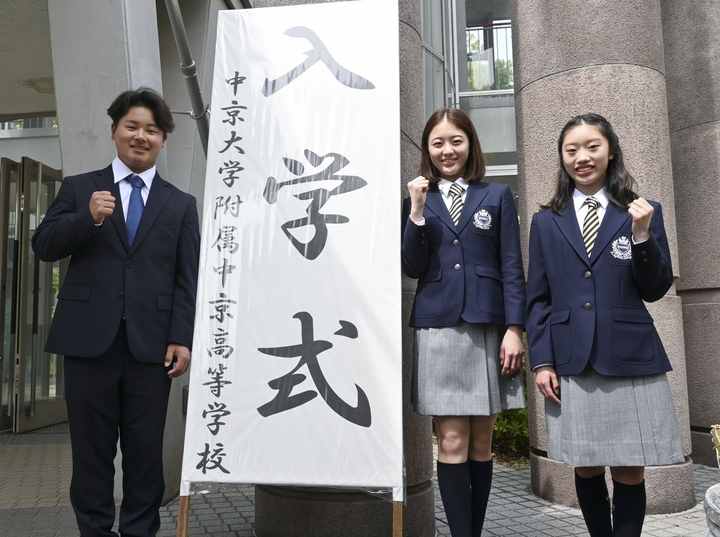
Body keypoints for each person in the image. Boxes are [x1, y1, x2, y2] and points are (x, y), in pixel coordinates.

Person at [32, 87, 200, 537]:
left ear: (163, 139)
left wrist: (181, 337)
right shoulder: (80, 188)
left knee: (145, 456)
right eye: (132, 126)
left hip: (152, 349)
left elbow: (187, 279)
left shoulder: (180, 204)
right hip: (88, 344)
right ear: (114, 131)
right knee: (91, 455)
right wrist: (85, 218)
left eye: (152, 129)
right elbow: (43, 246)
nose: (141, 136)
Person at [526, 113, 684, 537]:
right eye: (572, 150)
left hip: (629, 354)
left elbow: (655, 288)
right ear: (562, 158)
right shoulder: (545, 221)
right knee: (587, 464)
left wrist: (642, 235)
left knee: (630, 467)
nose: (582, 157)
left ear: (610, 150)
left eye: (592, 146)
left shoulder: (643, 211)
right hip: (571, 357)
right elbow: (537, 297)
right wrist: (542, 361)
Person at [402, 108, 526, 537]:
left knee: (481, 442)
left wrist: (515, 328)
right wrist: (417, 213)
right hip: (439, 327)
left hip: (488, 327)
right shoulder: (417, 199)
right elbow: (412, 265)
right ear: (428, 149)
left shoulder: (497, 195)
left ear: (470, 144)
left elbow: (512, 266)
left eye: (456, 140)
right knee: (452, 440)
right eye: (437, 143)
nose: (447, 150)